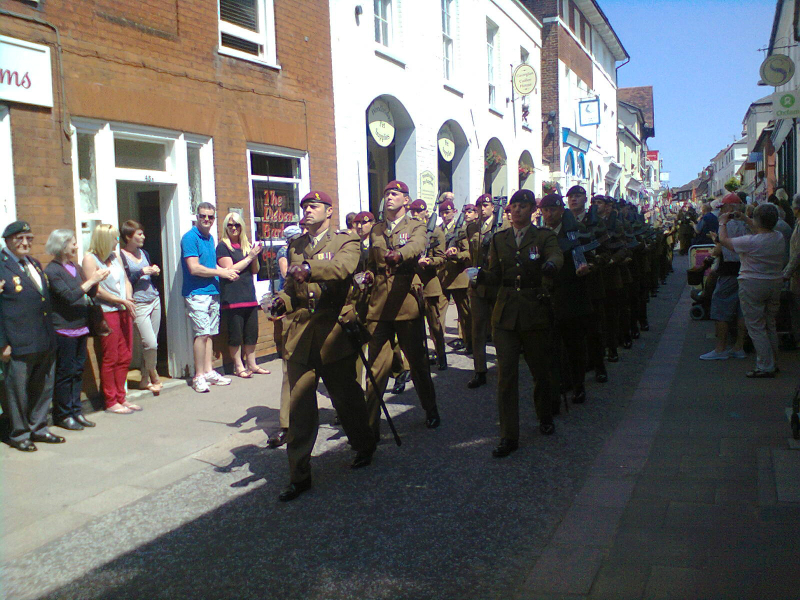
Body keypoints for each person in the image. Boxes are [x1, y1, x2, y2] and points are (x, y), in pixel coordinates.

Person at [268, 190, 376, 502]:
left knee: (346, 397)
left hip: (334, 333)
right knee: (300, 404)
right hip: (302, 334)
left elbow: (342, 270)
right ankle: (299, 475)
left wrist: (309, 269)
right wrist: (281, 302)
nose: (308, 211)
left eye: (314, 206)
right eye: (304, 206)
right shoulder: (296, 244)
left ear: (329, 211)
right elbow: (291, 288)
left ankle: (364, 444)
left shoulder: (346, 240)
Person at [479, 190, 563, 457]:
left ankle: (545, 415)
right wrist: (480, 276)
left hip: (534, 310)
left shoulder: (543, 236)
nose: (516, 210)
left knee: (540, 370)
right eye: (513, 206)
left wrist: (550, 266)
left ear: (532, 210)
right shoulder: (499, 239)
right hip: (505, 315)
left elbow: (556, 255)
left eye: (522, 206)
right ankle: (508, 436)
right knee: (506, 377)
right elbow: (494, 274)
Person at [363, 180, 441, 439]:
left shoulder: (416, 225)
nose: (389, 197)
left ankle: (430, 409)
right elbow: (369, 263)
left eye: (395, 194)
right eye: (386, 193)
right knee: (376, 367)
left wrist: (400, 255)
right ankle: (370, 425)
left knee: (417, 362)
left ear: (406, 200)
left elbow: (418, 245)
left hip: (406, 302)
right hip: (379, 306)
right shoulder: (375, 230)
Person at [0, 221, 65, 450]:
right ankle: (19, 435)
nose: (25, 243)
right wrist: (2, 343)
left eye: (29, 238)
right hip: (17, 342)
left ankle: (39, 428)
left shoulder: (34, 264)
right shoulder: (2, 266)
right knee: (17, 392)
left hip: (44, 339)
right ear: (7, 240)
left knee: (43, 387)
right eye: (20, 238)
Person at [45, 229, 109, 430]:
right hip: (63, 330)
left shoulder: (75, 266)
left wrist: (98, 279)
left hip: (81, 327)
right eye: (73, 243)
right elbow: (69, 296)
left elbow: (89, 291)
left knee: (78, 371)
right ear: (62, 245)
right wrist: (91, 280)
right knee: (65, 373)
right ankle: (63, 415)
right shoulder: (52, 271)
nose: (76, 246)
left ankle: (76, 411)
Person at [719, 203, 786, 377]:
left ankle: (765, 366)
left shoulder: (751, 241)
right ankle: (774, 361)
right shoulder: (778, 237)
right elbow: (761, 228)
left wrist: (722, 223)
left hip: (752, 283)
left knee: (756, 327)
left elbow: (724, 241)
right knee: (770, 324)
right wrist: (746, 219)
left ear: (757, 220)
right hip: (774, 282)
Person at [181, 202, 238, 393]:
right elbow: (194, 267)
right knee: (201, 333)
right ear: (197, 217)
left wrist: (227, 272)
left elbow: (211, 264)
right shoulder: (190, 238)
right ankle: (198, 376)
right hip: (196, 293)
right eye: (203, 216)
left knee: (210, 332)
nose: (206, 219)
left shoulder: (209, 238)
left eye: (210, 217)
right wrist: (221, 273)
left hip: (212, 291)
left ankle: (208, 371)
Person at [83, 224, 140, 414]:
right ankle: (110, 400)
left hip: (124, 308)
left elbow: (125, 280)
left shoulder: (114, 257)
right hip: (107, 311)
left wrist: (128, 298)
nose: (117, 241)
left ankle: (121, 396)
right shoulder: (90, 259)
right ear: (103, 239)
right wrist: (119, 299)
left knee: (125, 355)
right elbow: (95, 289)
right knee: (111, 356)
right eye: (113, 238)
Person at [541, 193, 592, 407]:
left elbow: (590, 255)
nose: (549, 214)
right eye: (545, 210)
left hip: (571, 294)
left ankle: (578, 385)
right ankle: (560, 383)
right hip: (548, 297)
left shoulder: (574, 232)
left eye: (553, 209)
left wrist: (587, 267)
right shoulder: (540, 235)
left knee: (574, 345)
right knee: (552, 347)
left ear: (561, 211)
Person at [216, 212, 269, 379]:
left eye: (237, 225)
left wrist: (254, 256)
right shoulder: (223, 246)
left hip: (249, 296)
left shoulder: (245, 246)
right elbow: (230, 269)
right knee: (236, 335)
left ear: (242, 227)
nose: (233, 228)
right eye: (230, 225)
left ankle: (252, 364)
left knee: (251, 333)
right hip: (233, 298)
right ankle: (238, 366)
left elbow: (254, 270)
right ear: (225, 227)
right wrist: (251, 256)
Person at [700, 193, 748, 361]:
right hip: (746, 269)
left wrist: (717, 238)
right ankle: (739, 347)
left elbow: (723, 247)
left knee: (721, 306)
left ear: (729, 208)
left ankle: (720, 349)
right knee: (742, 310)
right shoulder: (747, 223)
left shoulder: (727, 224)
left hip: (729, 269)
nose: (720, 212)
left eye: (722, 208)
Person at [568, 188, 608, 383]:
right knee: (574, 331)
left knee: (594, 329)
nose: (573, 200)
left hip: (591, 282)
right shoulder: (564, 222)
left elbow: (605, 250)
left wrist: (592, 265)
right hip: (570, 283)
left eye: (577, 196)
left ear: (585, 199)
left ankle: (599, 366)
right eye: (570, 197)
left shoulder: (595, 222)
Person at [120, 220, 163, 394]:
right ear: (129, 236)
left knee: (153, 343)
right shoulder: (121, 256)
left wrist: (154, 270)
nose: (143, 237)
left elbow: (150, 276)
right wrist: (141, 272)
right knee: (150, 343)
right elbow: (123, 281)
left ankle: (144, 379)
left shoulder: (143, 252)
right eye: (139, 234)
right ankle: (154, 374)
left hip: (154, 299)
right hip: (138, 304)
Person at [409, 199, 447, 370]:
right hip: (412, 285)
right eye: (413, 211)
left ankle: (441, 356)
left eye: (419, 211)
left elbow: (442, 258)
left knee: (434, 325)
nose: (415, 214)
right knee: (414, 327)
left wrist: (429, 261)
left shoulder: (436, 232)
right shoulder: (409, 232)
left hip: (430, 284)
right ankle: (420, 359)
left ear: (426, 212)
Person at [466, 194, 498, 388]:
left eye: (485, 205)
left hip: (495, 283)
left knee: (498, 327)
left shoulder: (502, 226)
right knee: (477, 328)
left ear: (492, 207)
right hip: (477, 284)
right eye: (479, 206)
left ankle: (502, 365)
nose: (482, 209)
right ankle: (480, 369)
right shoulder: (472, 228)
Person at [438, 197, 472, 354]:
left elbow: (468, 253)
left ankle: (469, 343)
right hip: (442, 278)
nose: (445, 215)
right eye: (442, 212)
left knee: (465, 314)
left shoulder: (461, 231)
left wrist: (456, 254)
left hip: (458, 278)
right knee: (437, 315)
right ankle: (439, 348)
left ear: (454, 212)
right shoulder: (438, 230)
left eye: (447, 212)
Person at [784, 194, 800, 346]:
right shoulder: (797, 223)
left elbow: (797, 253)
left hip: (797, 274)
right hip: (796, 273)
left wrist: (786, 273)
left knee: (797, 307)